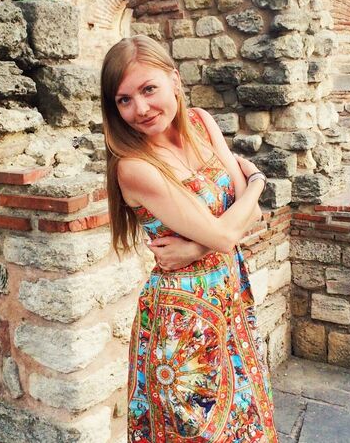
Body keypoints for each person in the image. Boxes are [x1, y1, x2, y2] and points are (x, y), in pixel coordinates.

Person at [100, 35, 278, 442]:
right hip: (182, 322)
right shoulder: (134, 166)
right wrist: (256, 181)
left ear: (174, 80)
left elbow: (247, 219)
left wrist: (199, 245)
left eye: (148, 89)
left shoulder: (200, 123)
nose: (140, 109)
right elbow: (229, 229)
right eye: (124, 100)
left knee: (247, 422)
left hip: (231, 301)